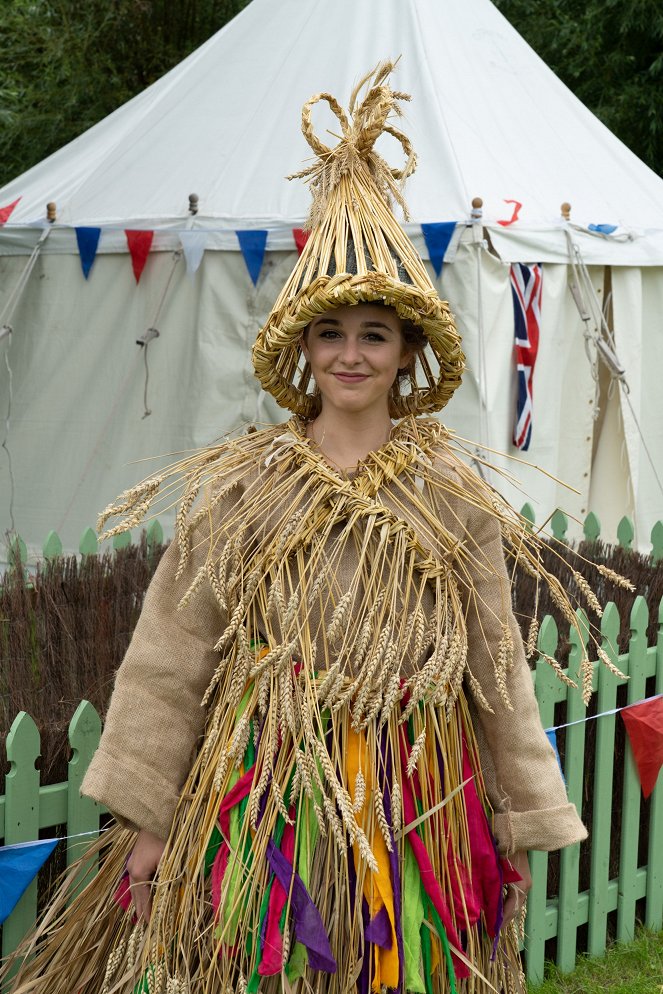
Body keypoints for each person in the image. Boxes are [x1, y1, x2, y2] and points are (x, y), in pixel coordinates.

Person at [5, 63, 614, 994]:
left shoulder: (452, 493)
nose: (351, 353)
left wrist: (520, 817)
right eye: (331, 333)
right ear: (303, 350)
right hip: (265, 798)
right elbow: (172, 653)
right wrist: (153, 818)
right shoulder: (240, 488)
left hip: (417, 798)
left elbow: (495, 660)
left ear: (408, 353)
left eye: (374, 333)